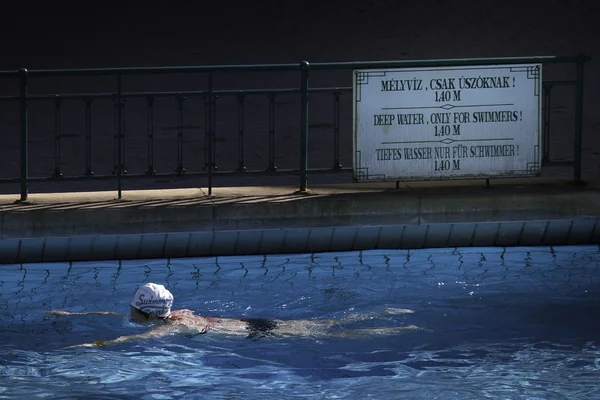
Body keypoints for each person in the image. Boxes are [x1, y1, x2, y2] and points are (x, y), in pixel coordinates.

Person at [46, 282, 422, 348]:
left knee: (328, 334)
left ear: (140, 309)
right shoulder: (171, 317)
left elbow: (130, 339)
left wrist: (93, 345)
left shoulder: (167, 331)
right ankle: (388, 313)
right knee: (322, 326)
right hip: (251, 324)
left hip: (252, 334)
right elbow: (118, 316)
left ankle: (392, 328)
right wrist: (73, 311)